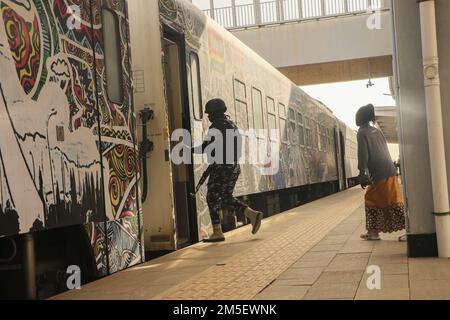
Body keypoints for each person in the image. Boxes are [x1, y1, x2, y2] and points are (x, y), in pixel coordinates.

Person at [194, 99, 263, 242]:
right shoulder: (232, 125)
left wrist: (188, 150)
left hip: (222, 167)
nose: (208, 117)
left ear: (214, 113)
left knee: (212, 197)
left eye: (209, 114)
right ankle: (252, 214)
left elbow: (205, 147)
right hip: (233, 167)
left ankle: (217, 232)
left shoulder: (216, 127)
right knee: (225, 196)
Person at [356, 104, 406, 240]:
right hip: (389, 169)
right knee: (379, 199)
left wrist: (362, 174)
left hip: (379, 172)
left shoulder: (362, 133)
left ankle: (411, 231)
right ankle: (373, 232)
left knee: (390, 201)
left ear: (359, 117)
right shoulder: (376, 131)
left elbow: (363, 155)